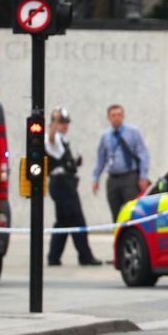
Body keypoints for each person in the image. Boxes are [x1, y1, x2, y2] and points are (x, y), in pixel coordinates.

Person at [45, 107, 102, 266]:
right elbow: (50, 139)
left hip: (66, 184)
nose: (64, 125)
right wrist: (54, 122)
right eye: (61, 122)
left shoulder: (62, 140)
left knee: (63, 222)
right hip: (62, 185)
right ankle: (85, 256)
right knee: (77, 220)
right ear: (54, 123)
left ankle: (53, 257)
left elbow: (65, 162)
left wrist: (75, 163)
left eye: (66, 122)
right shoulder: (53, 138)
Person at [92, 104, 151, 221]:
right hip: (113, 179)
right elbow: (101, 159)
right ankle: (118, 236)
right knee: (115, 213)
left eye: (119, 115)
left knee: (132, 212)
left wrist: (143, 177)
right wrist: (96, 178)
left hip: (130, 177)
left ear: (123, 116)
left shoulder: (133, 132)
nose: (116, 118)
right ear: (109, 118)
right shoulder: (106, 136)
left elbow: (143, 155)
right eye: (113, 115)